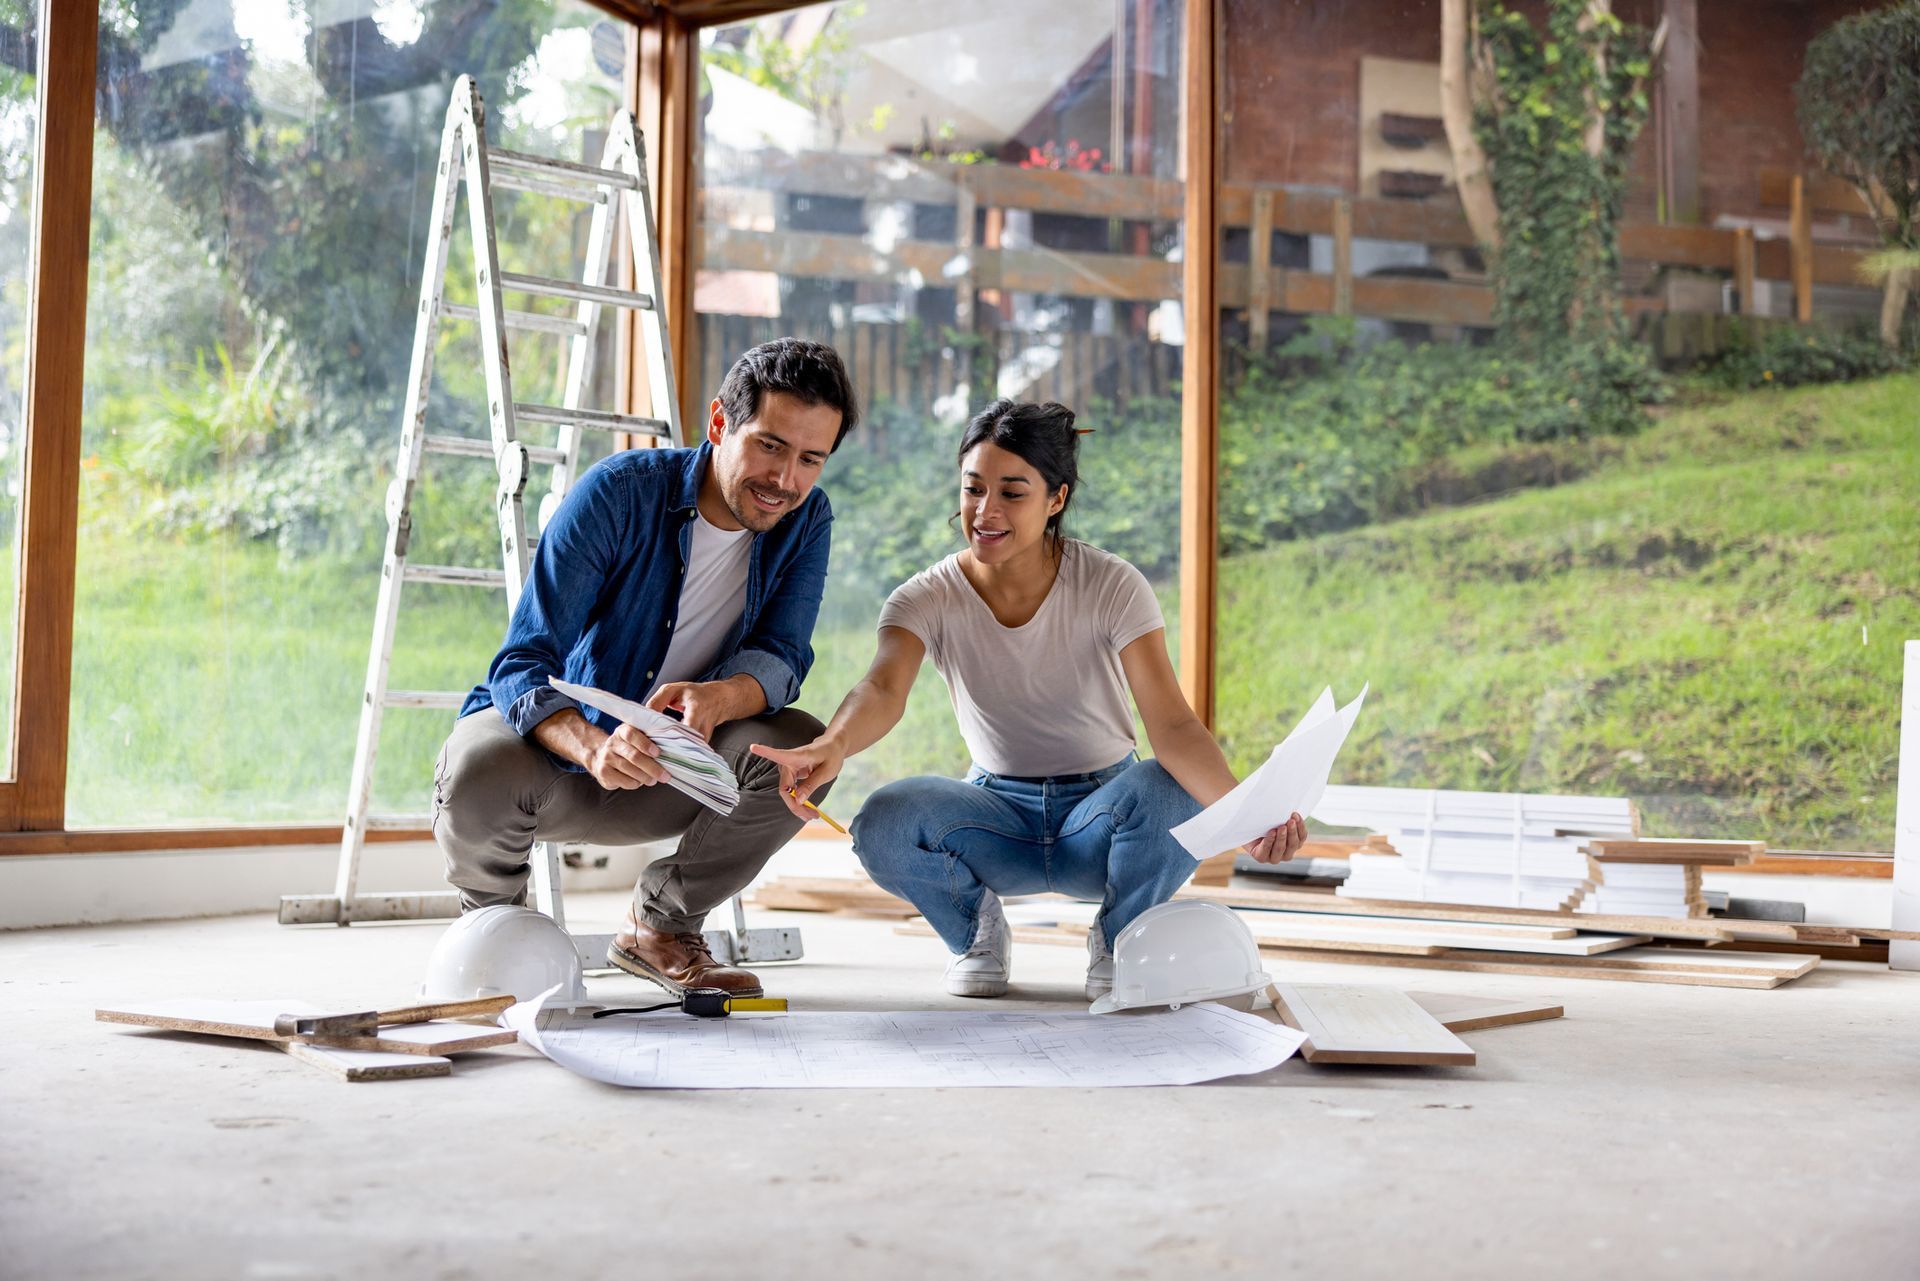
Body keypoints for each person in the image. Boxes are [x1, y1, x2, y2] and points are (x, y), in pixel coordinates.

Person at [753, 399, 1306, 1001]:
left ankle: (1119, 941)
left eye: (1012, 494)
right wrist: (832, 745)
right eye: (973, 490)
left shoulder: (1112, 585)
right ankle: (976, 935)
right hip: (997, 817)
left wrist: (1248, 816)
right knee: (884, 821)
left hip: (1102, 815)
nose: (985, 512)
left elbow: (1172, 726)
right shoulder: (925, 597)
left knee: (1170, 788)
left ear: (1057, 499)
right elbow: (882, 688)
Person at [432, 337, 858, 999]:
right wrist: (593, 745)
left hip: (675, 773)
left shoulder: (807, 521)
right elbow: (521, 662)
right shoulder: (617, 494)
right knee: (474, 765)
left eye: (811, 459)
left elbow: (784, 656)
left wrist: (721, 698)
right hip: (562, 764)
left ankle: (660, 925)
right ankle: (497, 935)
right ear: (719, 423)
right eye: (770, 446)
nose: (786, 481)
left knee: (799, 747)